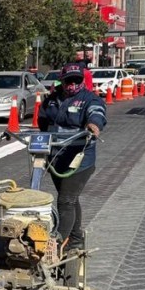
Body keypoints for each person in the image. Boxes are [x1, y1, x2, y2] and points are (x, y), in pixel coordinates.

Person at [38, 64, 107, 252]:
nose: (72, 85)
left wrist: (93, 124)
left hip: (79, 160)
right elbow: (43, 120)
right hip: (56, 158)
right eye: (68, 81)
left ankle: (56, 243)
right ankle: (76, 240)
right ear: (62, 80)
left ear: (82, 81)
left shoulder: (89, 99)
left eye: (77, 80)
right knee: (70, 199)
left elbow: (97, 112)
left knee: (65, 201)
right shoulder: (52, 99)